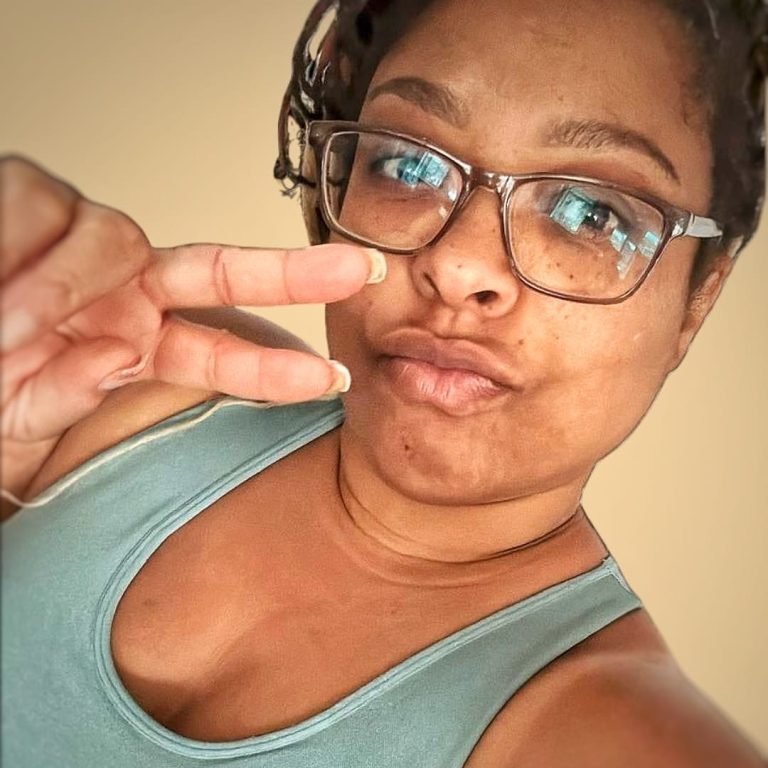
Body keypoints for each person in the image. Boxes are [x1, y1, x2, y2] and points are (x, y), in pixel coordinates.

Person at [1, 0, 766, 765]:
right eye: (408, 164)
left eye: (591, 213)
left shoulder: (632, 743)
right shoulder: (127, 378)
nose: (458, 266)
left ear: (697, 301)